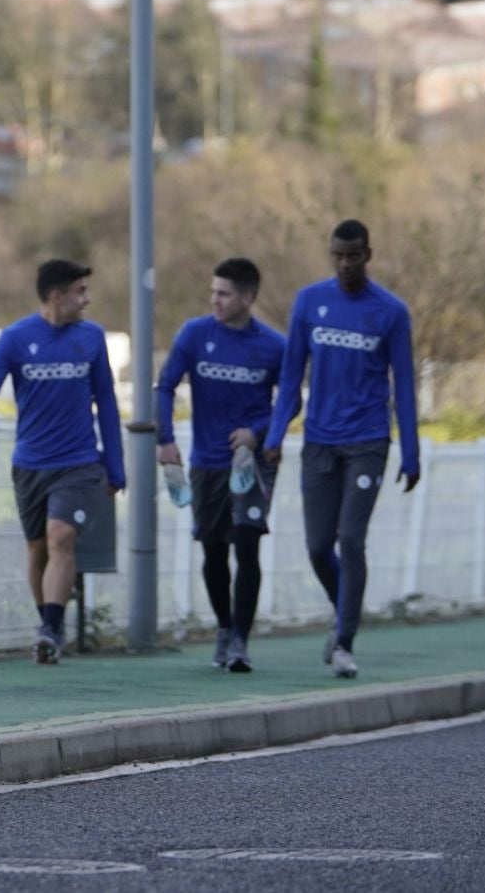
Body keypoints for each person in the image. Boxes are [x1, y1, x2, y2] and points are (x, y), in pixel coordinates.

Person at [264, 219, 420, 680]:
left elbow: (404, 385)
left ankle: (345, 642)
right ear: (330, 255)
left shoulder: (391, 311)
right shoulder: (309, 302)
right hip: (320, 440)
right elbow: (291, 375)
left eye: (354, 256)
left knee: (350, 538)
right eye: (338, 256)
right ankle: (344, 611)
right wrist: (275, 434)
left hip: (368, 440)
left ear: (367, 255)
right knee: (318, 546)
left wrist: (411, 452)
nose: (346, 264)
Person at [0, 259, 125, 665]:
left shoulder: (92, 337)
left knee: (60, 536)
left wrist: (115, 465)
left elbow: (107, 402)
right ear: (57, 295)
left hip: (79, 463)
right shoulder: (15, 338)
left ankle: (52, 628)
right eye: (80, 291)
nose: (87, 299)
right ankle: (47, 628)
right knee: (38, 547)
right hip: (30, 464)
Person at [156, 258, 291, 673]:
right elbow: (165, 387)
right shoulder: (195, 334)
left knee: (247, 543)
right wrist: (165, 440)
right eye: (213, 292)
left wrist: (258, 432)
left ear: (247, 298)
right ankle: (224, 625)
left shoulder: (274, 346)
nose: (215, 300)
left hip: (251, 462)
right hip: (207, 462)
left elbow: (291, 401)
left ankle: (240, 642)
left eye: (224, 294)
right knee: (214, 551)